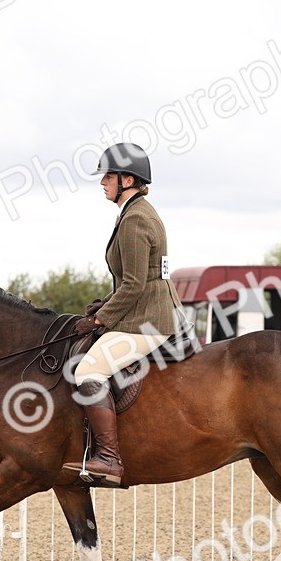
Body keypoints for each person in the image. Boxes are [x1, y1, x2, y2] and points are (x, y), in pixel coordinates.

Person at [62, 142, 185, 487]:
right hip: (144, 311)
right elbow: (136, 280)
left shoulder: (135, 220)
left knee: (88, 370)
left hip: (147, 322)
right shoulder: (137, 213)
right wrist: (104, 304)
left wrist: (101, 319)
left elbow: (133, 284)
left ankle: (109, 460)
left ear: (127, 180)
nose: (102, 182)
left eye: (108, 177)